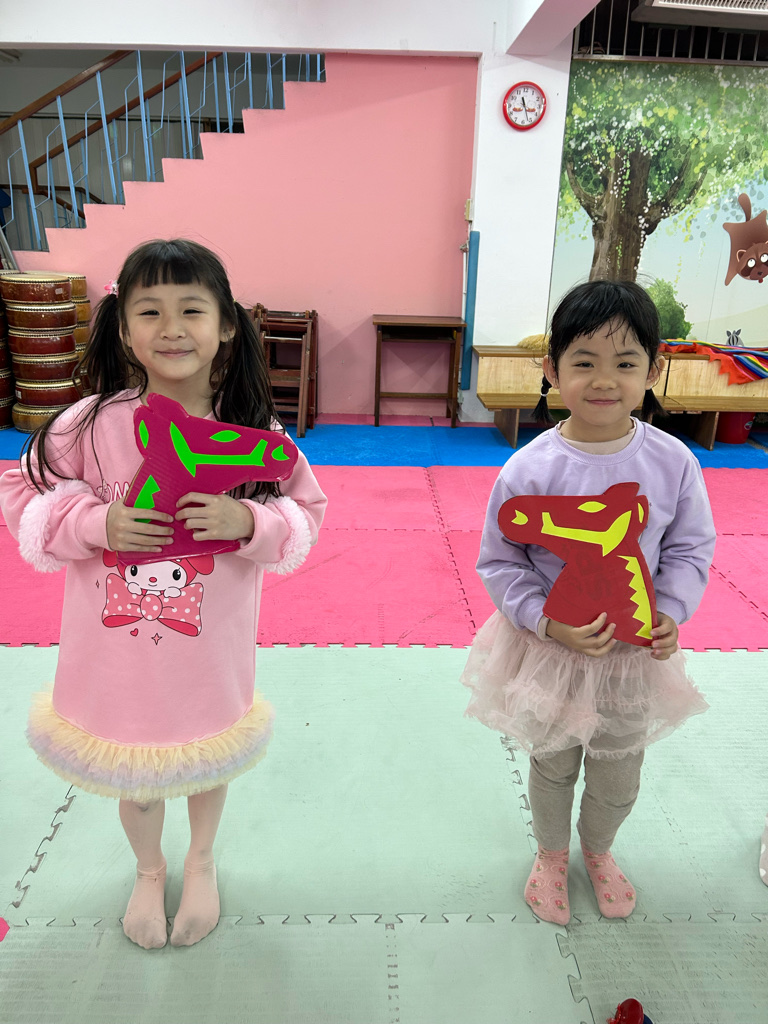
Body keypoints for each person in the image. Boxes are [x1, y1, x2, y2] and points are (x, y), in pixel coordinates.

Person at [0, 239, 327, 949]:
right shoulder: (90, 424)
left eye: (191, 310)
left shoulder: (253, 433)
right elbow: (19, 491)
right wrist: (96, 522)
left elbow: (306, 512)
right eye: (150, 311)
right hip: (116, 656)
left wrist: (248, 522)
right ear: (124, 331)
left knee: (208, 756)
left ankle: (201, 860)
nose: (172, 328)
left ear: (227, 325)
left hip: (208, 651)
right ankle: (149, 870)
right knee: (137, 775)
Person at [461, 280, 715, 925]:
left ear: (653, 371)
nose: (605, 380)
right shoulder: (529, 468)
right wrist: (545, 622)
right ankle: (550, 856)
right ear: (552, 370)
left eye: (625, 363)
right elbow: (500, 561)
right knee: (552, 766)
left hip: (633, 658)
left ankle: (598, 851)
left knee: (618, 773)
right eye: (584, 362)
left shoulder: (673, 462)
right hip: (553, 652)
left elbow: (690, 547)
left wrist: (671, 612)